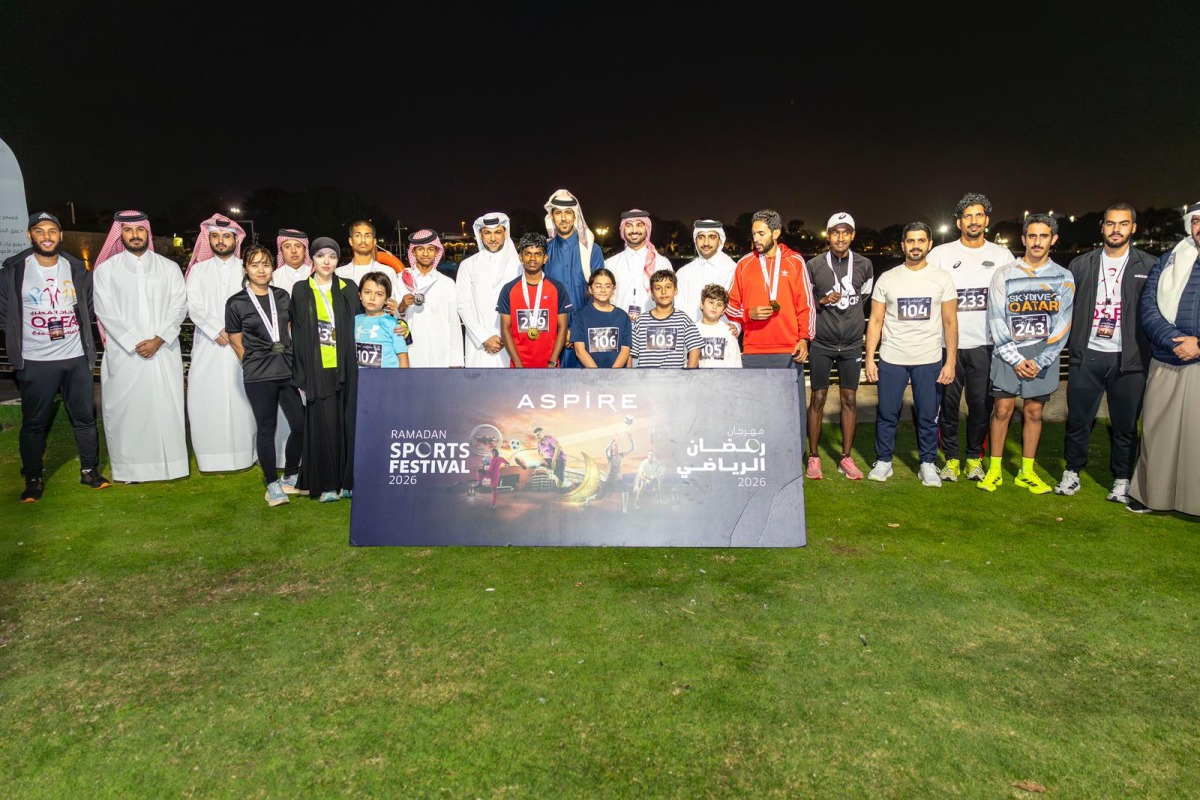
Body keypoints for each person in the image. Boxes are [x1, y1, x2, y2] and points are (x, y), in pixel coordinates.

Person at [0, 212, 110, 501]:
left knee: (85, 418)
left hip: (75, 357)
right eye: (40, 231)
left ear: (60, 236)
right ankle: (33, 477)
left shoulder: (76, 269)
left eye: (52, 230)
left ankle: (90, 471)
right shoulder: (13, 270)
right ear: (30, 236)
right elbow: (4, 314)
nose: (46, 235)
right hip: (35, 360)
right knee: (34, 422)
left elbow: (88, 308)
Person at [1055, 203, 1155, 503]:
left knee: (1125, 425)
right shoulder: (1081, 265)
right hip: (1088, 355)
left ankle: (1122, 480)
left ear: (1133, 228)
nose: (1116, 229)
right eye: (1110, 223)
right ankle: (1072, 472)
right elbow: (1065, 310)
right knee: (1078, 421)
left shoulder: (1149, 265)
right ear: (1103, 227)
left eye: (1123, 224)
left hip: (1130, 358)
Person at [977, 214, 1075, 494]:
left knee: (1034, 412)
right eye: (1032, 236)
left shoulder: (1063, 277)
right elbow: (995, 317)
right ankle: (994, 471)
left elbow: (1063, 322)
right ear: (1023, 239)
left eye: (1043, 236)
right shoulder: (1005, 274)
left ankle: (1026, 472)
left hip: (1043, 353)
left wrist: (1042, 358)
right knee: (1002, 410)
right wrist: (1016, 358)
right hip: (1009, 352)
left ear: (1053, 240)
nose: (1037, 241)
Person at [92, 210, 189, 483]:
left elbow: (179, 306)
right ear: (120, 235)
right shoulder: (105, 271)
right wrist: (136, 342)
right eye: (128, 231)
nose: (135, 235)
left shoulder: (168, 268)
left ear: (148, 233)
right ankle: (131, 470)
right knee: (128, 411)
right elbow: (104, 311)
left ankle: (171, 467)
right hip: (125, 354)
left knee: (164, 408)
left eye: (140, 230)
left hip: (163, 350)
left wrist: (158, 339)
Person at [927, 193, 1015, 482]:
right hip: (947, 346)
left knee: (980, 406)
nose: (973, 221)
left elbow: (1015, 294)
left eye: (978, 215)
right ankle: (952, 459)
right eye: (968, 216)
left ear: (986, 220)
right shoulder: (940, 254)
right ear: (958, 222)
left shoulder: (1002, 255)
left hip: (985, 345)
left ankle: (974, 457)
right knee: (948, 407)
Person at [864, 222, 958, 486]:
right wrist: (870, 357)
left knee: (928, 416)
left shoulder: (942, 278)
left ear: (929, 244)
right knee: (886, 414)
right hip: (892, 358)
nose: (915, 246)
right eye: (910, 241)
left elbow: (950, 322)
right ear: (903, 245)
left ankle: (927, 463)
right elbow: (875, 321)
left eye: (921, 241)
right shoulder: (888, 278)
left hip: (928, 360)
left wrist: (950, 361)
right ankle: (884, 461)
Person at [1127, 200, 1200, 516]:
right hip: (1167, 358)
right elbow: (1149, 308)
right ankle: (1152, 498)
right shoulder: (1169, 261)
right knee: (1158, 433)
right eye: (1196, 222)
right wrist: (1173, 341)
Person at [224, 244, 305, 507]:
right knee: (266, 429)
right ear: (246, 268)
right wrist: (255, 366)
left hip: (286, 370)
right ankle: (271, 482)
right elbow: (237, 343)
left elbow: (289, 329)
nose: (261, 269)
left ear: (272, 268)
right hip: (259, 375)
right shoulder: (236, 302)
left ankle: (290, 475)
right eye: (255, 264)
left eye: (266, 264)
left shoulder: (282, 296)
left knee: (301, 425)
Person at [726, 209, 815, 430]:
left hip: (788, 351)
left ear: (776, 233)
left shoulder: (795, 261)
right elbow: (730, 306)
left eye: (761, 234)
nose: (755, 239)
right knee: (756, 413)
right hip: (753, 351)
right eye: (754, 234)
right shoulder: (744, 264)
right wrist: (749, 314)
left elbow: (806, 305)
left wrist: (804, 338)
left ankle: (795, 460)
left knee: (789, 413)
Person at [291, 237, 362, 502]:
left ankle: (348, 482)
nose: (326, 261)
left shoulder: (349, 287)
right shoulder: (300, 289)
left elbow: (365, 321)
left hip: (347, 367)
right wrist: (302, 374)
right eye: (321, 256)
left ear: (337, 260)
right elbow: (296, 333)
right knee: (325, 426)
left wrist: (401, 329)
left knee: (347, 424)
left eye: (331, 256)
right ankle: (327, 484)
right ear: (313, 259)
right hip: (318, 369)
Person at [184, 213, 256, 473]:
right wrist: (217, 328)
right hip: (209, 345)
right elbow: (192, 304)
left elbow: (254, 302)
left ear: (235, 239)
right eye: (215, 236)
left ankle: (246, 455)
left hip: (243, 345)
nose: (221, 240)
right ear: (209, 239)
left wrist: (236, 330)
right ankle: (210, 459)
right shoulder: (198, 271)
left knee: (244, 401)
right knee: (207, 399)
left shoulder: (246, 270)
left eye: (226, 236)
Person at [805, 212, 873, 480]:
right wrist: (822, 301)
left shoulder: (865, 265)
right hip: (822, 343)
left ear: (852, 235)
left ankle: (846, 457)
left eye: (846, 232)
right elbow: (808, 302)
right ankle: (813, 457)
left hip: (852, 344)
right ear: (828, 235)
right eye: (835, 232)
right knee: (818, 398)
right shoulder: (813, 265)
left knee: (849, 399)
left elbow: (863, 296)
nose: (841, 237)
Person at [542, 189, 605, 367]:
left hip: (586, 332)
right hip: (552, 334)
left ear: (575, 216)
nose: (563, 218)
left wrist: (576, 330)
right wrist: (561, 331)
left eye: (568, 213)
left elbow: (600, 293)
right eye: (558, 213)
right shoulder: (545, 251)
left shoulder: (592, 250)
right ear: (552, 217)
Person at [498, 232, 572, 368]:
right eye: (528, 253)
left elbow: (562, 328)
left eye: (538, 254)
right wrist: (518, 365)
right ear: (521, 257)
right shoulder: (509, 289)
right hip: (519, 366)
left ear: (545, 258)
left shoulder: (557, 288)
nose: (533, 258)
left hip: (550, 365)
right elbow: (505, 329)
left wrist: (552, 361)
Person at [456, 212, 521, 367]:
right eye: (487, 233)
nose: (492, 238)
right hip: (478, 344)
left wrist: (506, 337)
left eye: (497, 232)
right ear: (481, 235)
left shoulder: (519, 266)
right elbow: (463, 306)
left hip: (512, 342)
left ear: (505, 233)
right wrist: (484, 337)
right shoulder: (468, 265)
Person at [395, 229, 464, 368]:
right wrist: (402, 306)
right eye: (420, 249)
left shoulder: (447, 283)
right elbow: (393, 319)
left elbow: (454, 324)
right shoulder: (401, 279)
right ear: (413, 252)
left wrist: (455, 361)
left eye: (430, 249)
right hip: (410, 352)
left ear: (437, 252)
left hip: (441, 353)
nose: (425, 254)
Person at [604, 209, 674, 324]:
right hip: (620, 326)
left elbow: (670, 299)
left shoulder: (662, 263)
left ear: (647, 229)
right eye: (629, 226)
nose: (634, 230)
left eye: (639, 225)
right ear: (623, 230)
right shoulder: (611, 263)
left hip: (653, 327)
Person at [630, 270, 702, 369]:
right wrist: (629, 376)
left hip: (675, 381)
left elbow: (695, 348)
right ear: (652, 294)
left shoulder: (683, 319)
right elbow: (629, 353)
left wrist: (688, 376)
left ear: (675, 291)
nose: (663, 292)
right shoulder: (641, 321)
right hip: (646, 381)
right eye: (658, 288)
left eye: (668, 287)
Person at [676, 219, 738, 326]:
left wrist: (735, 326)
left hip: (723, 336)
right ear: (695, 241)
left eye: (712, 237)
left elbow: (738, 305)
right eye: (701, 237)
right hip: (691, 336)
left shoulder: (733, 270)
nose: (706, 243)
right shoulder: (683, 273)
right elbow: (678, 309)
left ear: (720, 241)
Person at [570, 268, 632, 368]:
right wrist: (598, 374)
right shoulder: (580, 316)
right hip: (588, 378)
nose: (603, 290)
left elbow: (625, 350)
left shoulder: (622, 316)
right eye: (598, 286)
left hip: (616, 377)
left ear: (613, 289)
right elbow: (579, 351)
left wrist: (612, 375)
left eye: (607, 286)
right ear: (590, 289)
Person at [354, 271, 410, 369]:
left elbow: (402, 356)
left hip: (387, 379)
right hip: (361, 379)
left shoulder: (392, 324)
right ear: (360, 295)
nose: (372, 298)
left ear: (386, 299)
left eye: (379, 294)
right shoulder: (354, 321)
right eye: (367, 292)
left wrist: (403, 381)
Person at [696, 283, 742, 368]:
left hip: (724, 379)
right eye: (711, 302)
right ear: (702, 304)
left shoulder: (729, 332)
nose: (714, 307)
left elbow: (736, 364)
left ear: (724, 310)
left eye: (719, 304)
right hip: (698, 379)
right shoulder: (692, 330)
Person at [336, 220, 388, 285]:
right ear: (350, 241)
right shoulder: (339, 273)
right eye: (358, 235)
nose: (363, 240)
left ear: (374, 242)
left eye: (368, 236)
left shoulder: (387, 272)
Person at [271, 228, 312, 293]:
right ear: (281, 251)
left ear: (305, 249)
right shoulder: (274, 278)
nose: (293, 251)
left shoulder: (315, 272)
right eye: (287, 246)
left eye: (298, 246)